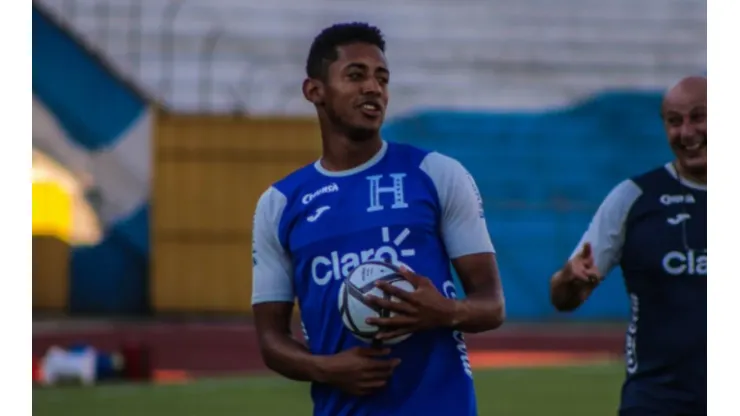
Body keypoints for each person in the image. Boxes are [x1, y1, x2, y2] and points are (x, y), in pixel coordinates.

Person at [251, 22, 506, 416]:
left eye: (381, 78)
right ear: (314, 91)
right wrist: (328, 369)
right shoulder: (280, 204)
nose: (373, 88)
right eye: (356, 75)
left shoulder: (436, 174)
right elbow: (271, 340)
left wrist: (443, 311)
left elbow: (491, 305)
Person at [549, 76, 706, 416]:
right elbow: (562, 297)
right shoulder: (633, 198)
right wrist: (571, 278)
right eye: (674, 121)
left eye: (699, 117)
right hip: (656, 402)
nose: (687, 132)